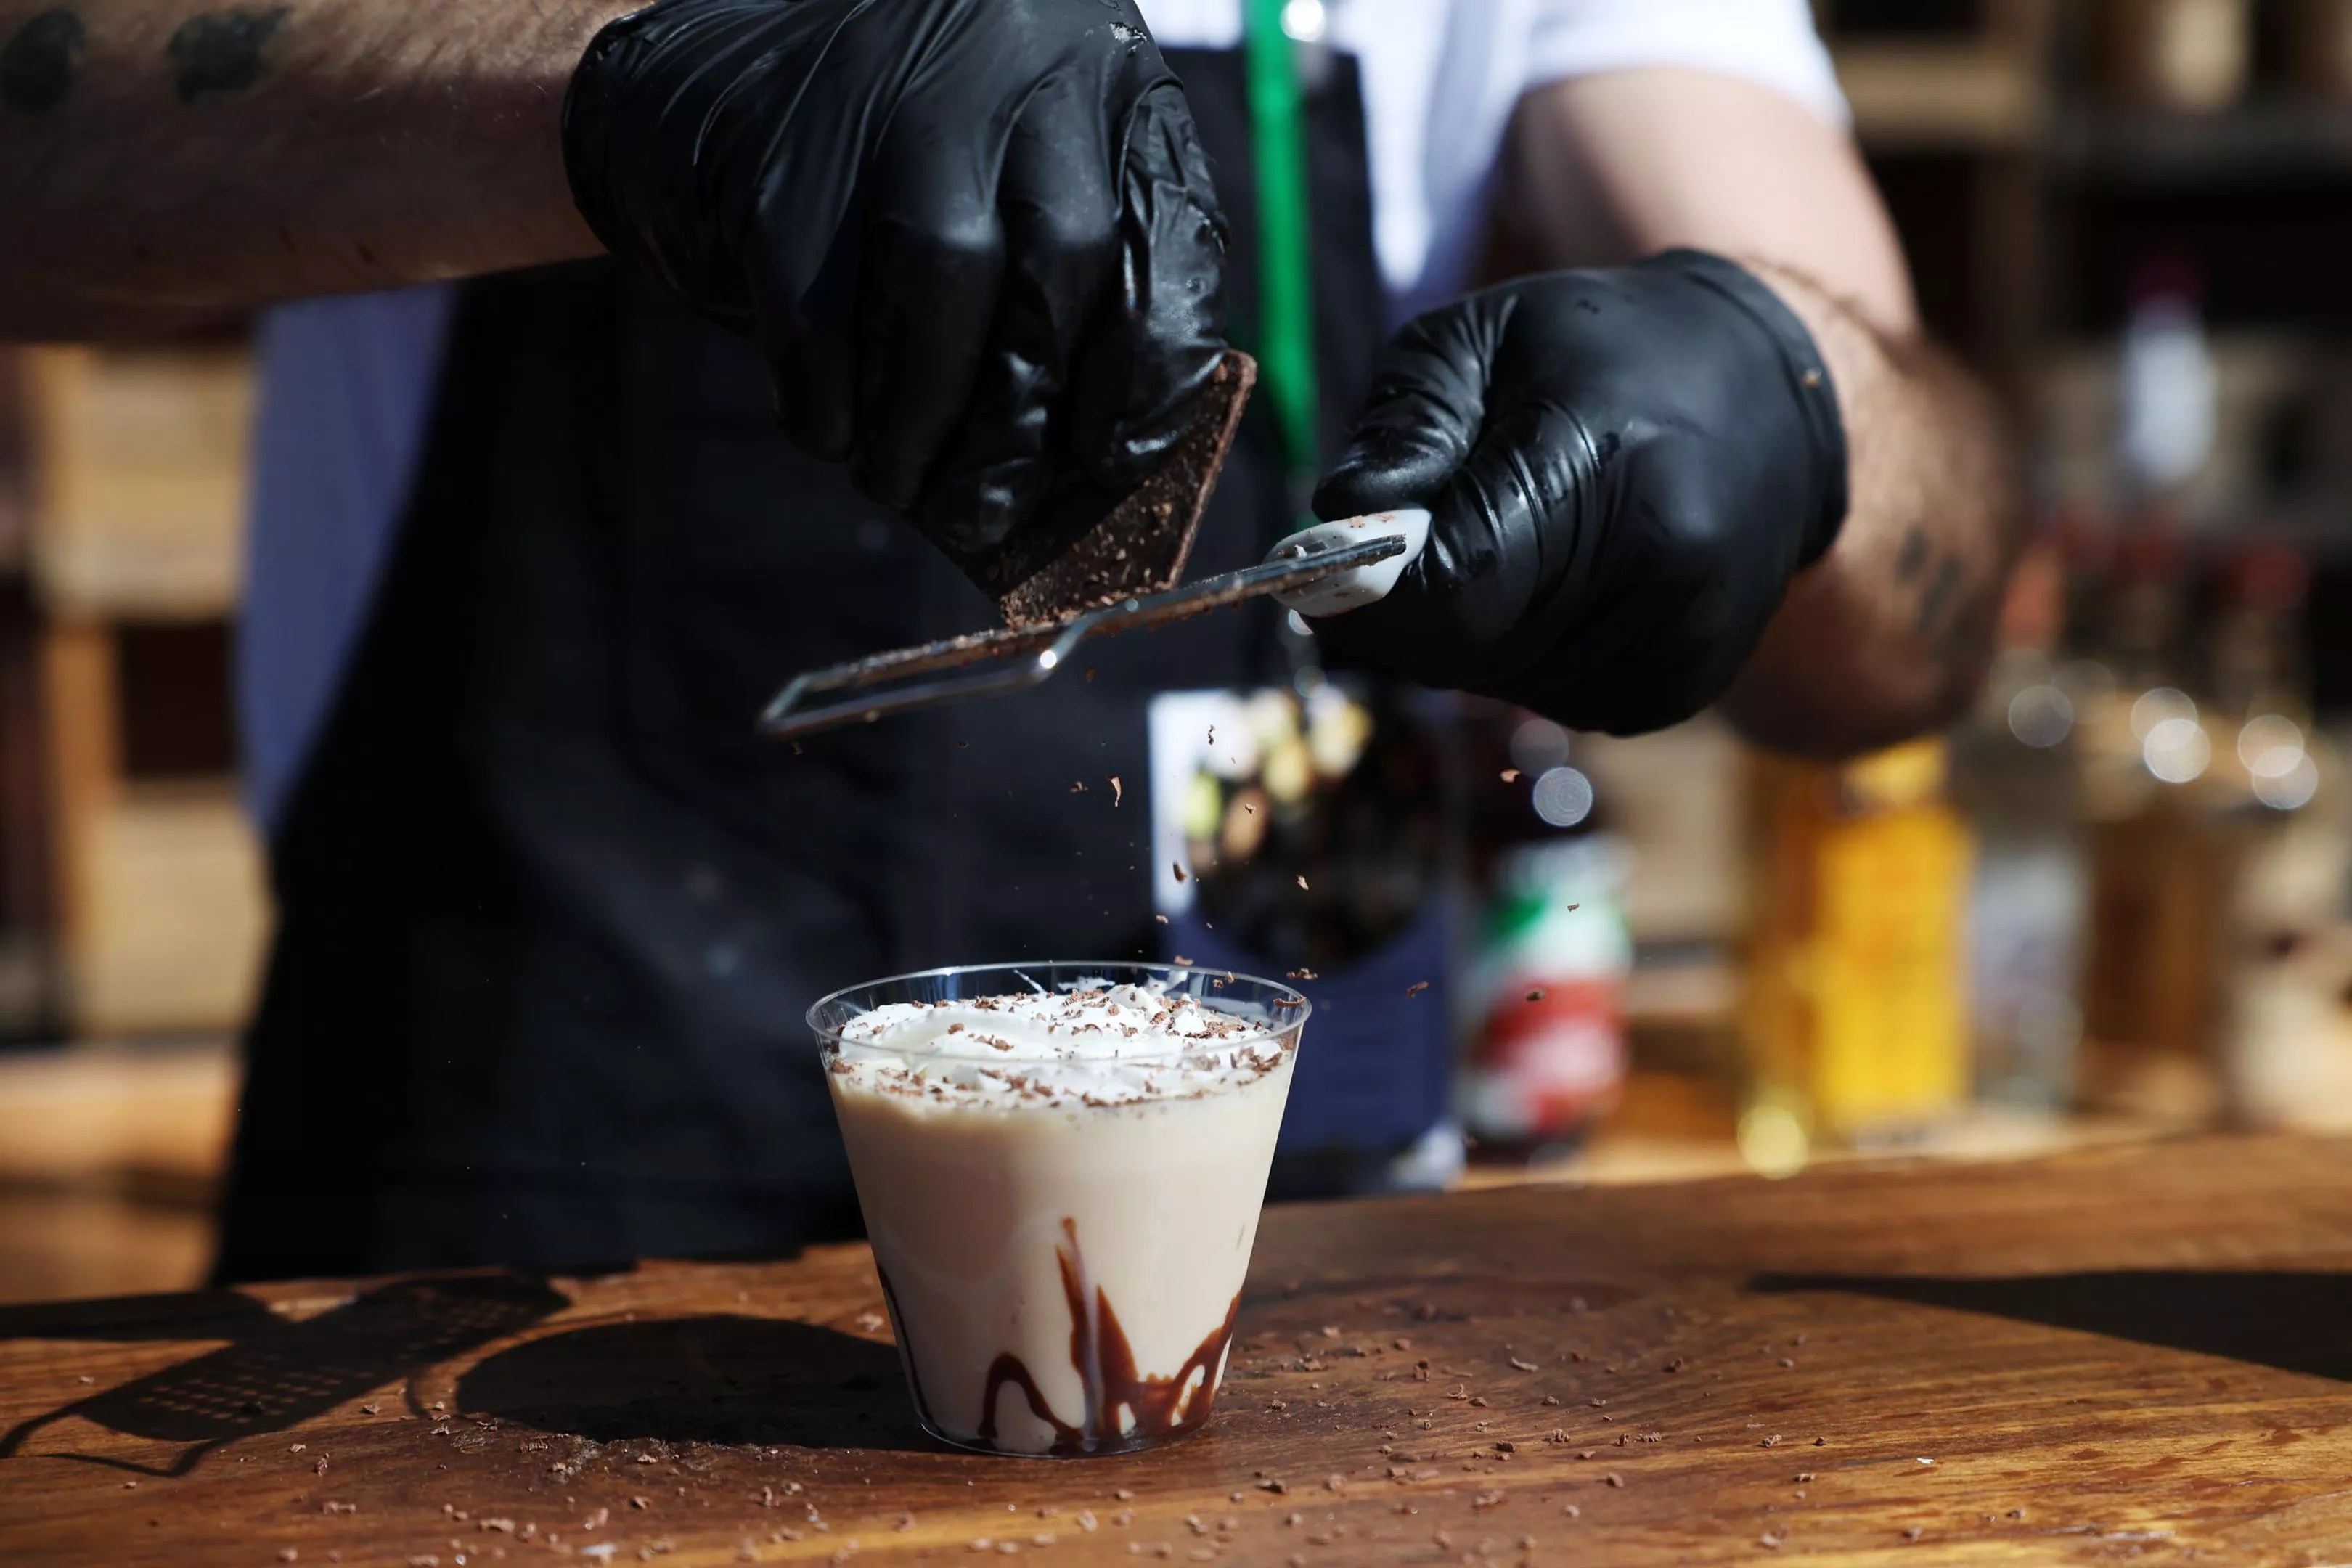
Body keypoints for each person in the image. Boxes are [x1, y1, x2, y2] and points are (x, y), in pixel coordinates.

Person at [1, 0, 2020, 1281]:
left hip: (1298, 1267)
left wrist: (1789, 394)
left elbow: (1910, 617)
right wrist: (628, 90)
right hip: (526, 1217)